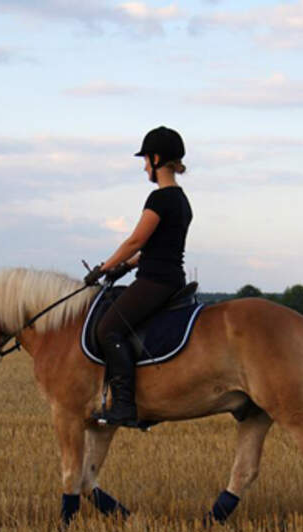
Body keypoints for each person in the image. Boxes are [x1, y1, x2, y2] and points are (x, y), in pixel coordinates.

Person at [83, 126, 193, 426]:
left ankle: (123, 405)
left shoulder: (159, 200)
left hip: (155, 281)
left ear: (157, 158)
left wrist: (102, 269)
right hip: (169, 277)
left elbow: (136, 241)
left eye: (146, 159)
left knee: (108, 328)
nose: (144, 165)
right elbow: (154, 249)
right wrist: (126, 267)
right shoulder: (182, 200)